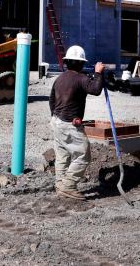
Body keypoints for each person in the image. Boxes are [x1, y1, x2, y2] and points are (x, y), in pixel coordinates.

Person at [49, 45, 105, 200]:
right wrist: (98, 73)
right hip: (69, 124)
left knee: (62, 156)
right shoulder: (81, 78)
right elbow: (95, 89)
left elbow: (52, 100)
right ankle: (68, 186)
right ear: (81, 63)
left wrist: (56, 117)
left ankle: (60, 184)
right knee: (83, 155)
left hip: (56, 121)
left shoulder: (60, 78)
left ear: (67, 62)